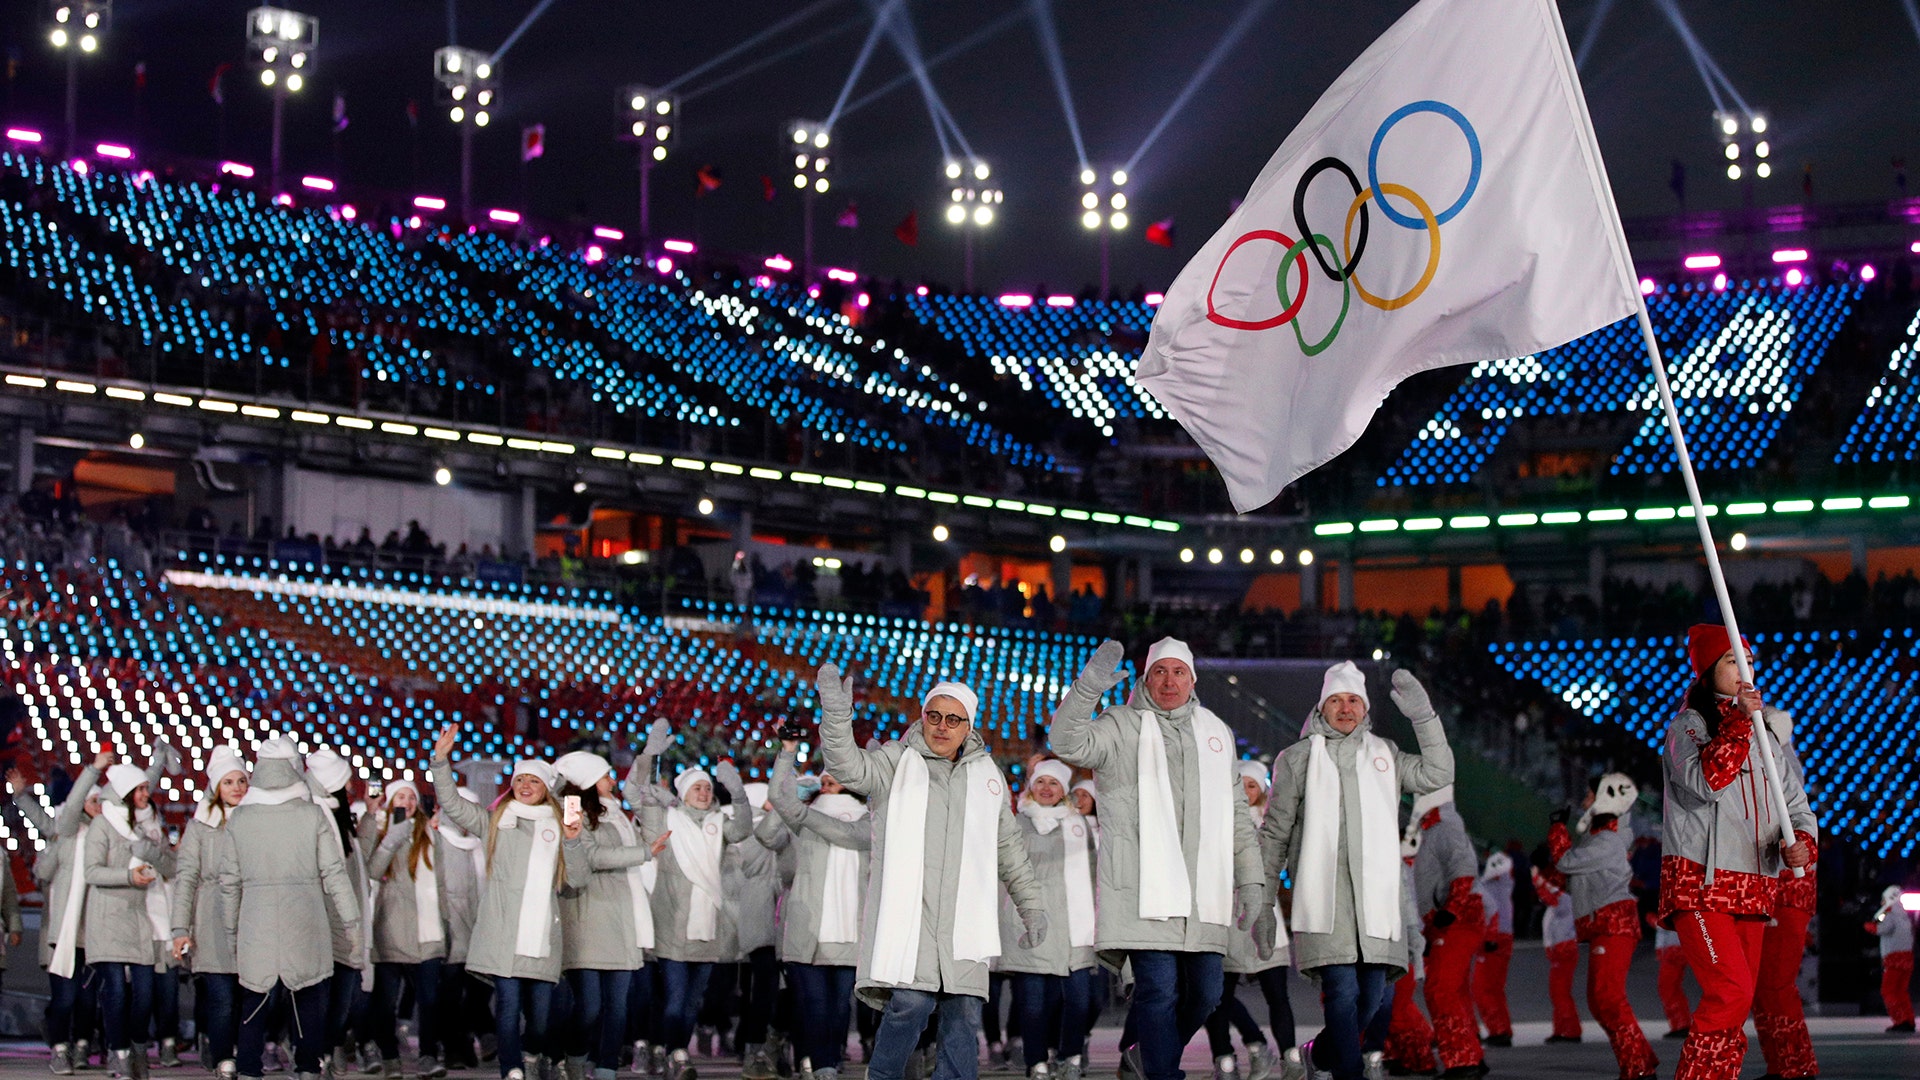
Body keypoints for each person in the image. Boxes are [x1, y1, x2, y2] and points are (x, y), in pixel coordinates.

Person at [1047, 639, 1266, 1080]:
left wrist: (1253, 879)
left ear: (1192, 679)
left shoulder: (1216, 733)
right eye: (1160, 671)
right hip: (1142, 888)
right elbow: (1064, 741)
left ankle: (1146, 1056)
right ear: (1147, 678)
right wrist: (1088, 688)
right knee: (1158, 991)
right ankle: (1164, 1073)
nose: (1169, 680)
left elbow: (1238, 814)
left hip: (1203, 891)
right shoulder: (1120, 725)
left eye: (1178, 672)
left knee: (1206, 994)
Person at [815, 666, 1047, 1080]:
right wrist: (836, 716)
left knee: (963, 1016)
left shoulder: (988, 778)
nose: (942, 726)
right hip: (912, 919)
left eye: (953, 719)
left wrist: (1032, 908)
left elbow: (1009, 851)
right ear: (923, 716)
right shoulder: (894, 761)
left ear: (968, 726)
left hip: (965, 923)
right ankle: (882, 1074)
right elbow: (848, 767)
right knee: (912, 1002)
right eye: (934, 716)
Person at [1263, 662, 1455, 1080]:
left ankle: (1319, 1053)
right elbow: (1275, 832)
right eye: (1336, 700)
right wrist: (1260, 900)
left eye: (1353, 700)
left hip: (1376, 908)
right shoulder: (1296, 760)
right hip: (1324, 903)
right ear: (1322, 706)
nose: (1345, 709)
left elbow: (1439, 773)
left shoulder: (1385, 754)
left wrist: (1423, 717)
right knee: (1343, 994)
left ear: (1364, 708)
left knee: (1370, 1000)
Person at [1659, 625, 1815, 1080]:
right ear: (1707, 671)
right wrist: (1739, 723)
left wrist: (1801, 845)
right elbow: (1706, 782)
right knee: (1729, 991)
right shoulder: (1689, 726)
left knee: (1739, 999)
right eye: (1730, 659)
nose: (1743, 668)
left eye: (1746, 658)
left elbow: (1798, 809)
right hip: (1701, 883)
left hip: (1754, 885)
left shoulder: (1765, 737)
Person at [429, 725, 590, 1080]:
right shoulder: (496, 821)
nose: (526, 786)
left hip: (542, 937)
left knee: (541, 1015)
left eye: (534, 781)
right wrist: (441, 761)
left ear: (546, 788)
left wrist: (575, 841)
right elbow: (454, 805)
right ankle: (512, 1069)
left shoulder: (564, 825)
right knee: (507, 1005)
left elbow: (576, 880)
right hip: (502, 934)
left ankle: (532, 1055)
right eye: (520, 781)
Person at [213, 735, 362, 1080]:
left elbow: (229, 882)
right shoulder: (312, 815)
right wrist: (352, 922)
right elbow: (334, 873)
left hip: (256, 922)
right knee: (308, 1002)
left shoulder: (241, 819)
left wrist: (233, 928)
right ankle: (308, 1069)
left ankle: (249, 1069)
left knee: (255, 1003)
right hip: (306, 919)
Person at [554, 749, 670, 1080]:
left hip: (622, 914)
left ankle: (606, 1069)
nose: (612, 780)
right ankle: (574, 1059)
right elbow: (590, 855)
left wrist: (648, 800)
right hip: (588, 915)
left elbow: (653, 839)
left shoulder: (618, 811)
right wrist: (641, 854)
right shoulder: (572, 809)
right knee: (589, 1006)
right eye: (606, 775)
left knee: (618, 1006)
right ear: (589, 780)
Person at [640, 749, 756, 1080]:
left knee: (692, 1004)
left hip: (708, 926)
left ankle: (669, 1050)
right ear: (683, 794)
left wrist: (737, 791)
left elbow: (744, 829)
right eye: (697, 788)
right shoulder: (668, 821)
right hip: (673, 926)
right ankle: (674, 1051)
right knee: (675, 1000)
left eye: (707, 788)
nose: (704, 793)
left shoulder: (718, 824)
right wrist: (651, 760)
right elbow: (646, 803)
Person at [768, 738, 869, 1080]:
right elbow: (781, 799)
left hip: (851, 929)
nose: (827, 786)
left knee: (839, 1008)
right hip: (809, 927)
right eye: (824, 781)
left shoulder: (873, 822)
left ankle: (827, 1062)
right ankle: (820, 1064)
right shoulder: (806, 818)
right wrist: (786, 753)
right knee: (813, 1005)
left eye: (834, 780)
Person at [1548, 774, 1657, 1080]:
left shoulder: (1608, 840)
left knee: (1608, 998)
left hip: (1613, 924)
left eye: (1588, 795)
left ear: (1604, 798)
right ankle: (1641, 1061)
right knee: (1600, 1001)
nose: (1584, 802)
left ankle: (1638, 1068)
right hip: (1604, 924)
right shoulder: (1600, 838)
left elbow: (1567, 863)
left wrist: (1557, 829)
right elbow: (1574, 877)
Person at [11, 749, 112, 1075]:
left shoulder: (109, 837)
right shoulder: (66, 832)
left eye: (101, 802)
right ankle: (60, 1046)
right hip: (64, 930)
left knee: (87, 999)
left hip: (94, 930)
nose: (97, 807)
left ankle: (82, 1046)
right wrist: (22, 796)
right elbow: (46, 830)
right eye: (93, 801)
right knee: (66, 997)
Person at [999, 759, 1099, 1080]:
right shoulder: (1015, 823)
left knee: (1080, 1001)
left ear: (1064, 790)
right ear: (1031, 786)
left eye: (1053, 783)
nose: (1046, 788)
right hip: (1031, 921)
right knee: (1031, 1004)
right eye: (1040, 782)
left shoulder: (1078, 825)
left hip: (1074, 925)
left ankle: (1070, 1055)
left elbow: (1095, 872)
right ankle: (1037, 1062)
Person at [85, 761, 176, 1080]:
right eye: (138, 789)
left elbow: (170, 866)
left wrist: (148, 854)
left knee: (145, 993)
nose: (145, 793)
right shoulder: (102, 826)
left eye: (145, 788)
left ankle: (137, 1046)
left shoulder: (142, 830)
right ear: (124, 793)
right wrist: (127, 875)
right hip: (108, 918)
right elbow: (91, 871)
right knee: (116, 992)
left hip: (141, 920)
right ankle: (120, 1053)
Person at [1203, 761, 1294, 1080]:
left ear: (1262, 791)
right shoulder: (1212, 820)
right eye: (1238, 783)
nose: (1244, 790)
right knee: (1216, 995)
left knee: (1277, 994)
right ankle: (1225, 1059)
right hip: (1224, 916)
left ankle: (1289, 1059)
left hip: (1263, 916)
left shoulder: (1272, 825)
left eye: (1252, 785)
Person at [364, 779, 452, 1080]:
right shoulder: (380, 830)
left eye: (411, 797)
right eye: (400, 796)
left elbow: (440, 881)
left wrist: (446, 922)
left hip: (427, 931)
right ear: (390, 801)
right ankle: (389, 1057)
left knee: (429, 1000)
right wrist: (390, 839)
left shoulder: (429, 833)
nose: (407, 801)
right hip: (390, 928)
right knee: (385, 1002)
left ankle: (428, 1055)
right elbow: (373, 871)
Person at [170, 747, 249, 1080]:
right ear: (216, 787)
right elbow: (186, 877)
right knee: (221, 995)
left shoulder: (259, 820)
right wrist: (179, 928)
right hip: (211, 915)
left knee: (250, 996)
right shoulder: (200, 826)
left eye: (241, 780)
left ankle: (244, 1052)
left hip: (251, 915)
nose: (236, 788)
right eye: (228, 781)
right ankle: (223, 1057)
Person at [1750, 709, 1819, 1079]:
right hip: (1772, 885)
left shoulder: (1779, 762)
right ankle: (1782, 1065)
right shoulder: (1772, 758)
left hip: (1789, 886)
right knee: (1763, 986)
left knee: (1775, 984)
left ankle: (1797, 1067)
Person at [306, 747, 377, 1073]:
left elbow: (355, 857)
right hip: (326, 920)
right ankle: (318, 1055)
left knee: (343, 998)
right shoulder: (315, 815)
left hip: (348, 920)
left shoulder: (338, 815)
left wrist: (371, 816)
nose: (350, 788)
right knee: (325, 999)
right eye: (345, 782)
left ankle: (329, 1050)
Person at [1409, 786, 1485, 1079]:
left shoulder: (1444, 829)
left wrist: (1450, 909)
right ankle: (1470, 1056)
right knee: (1453, 989)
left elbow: (1464, 868)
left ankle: (1462, 1060)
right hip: (1450, 919)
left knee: (1440, 989)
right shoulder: (1434, 830)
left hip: (1455, 919)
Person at [435, 787, 487, 1071]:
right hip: (451, 932)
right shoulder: (438, 839)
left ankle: (466, 1041)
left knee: (478, 995)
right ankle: (453, 1047)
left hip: (479, 931)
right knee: (451, 996)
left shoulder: (482, 844)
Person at [1383, 831, 1435, 1077]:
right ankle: (1405, 1054)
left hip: (1401, 944)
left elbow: (1410, 907)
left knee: (1398, 1007)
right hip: (1391, 944)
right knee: (1395, 1007)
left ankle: (1420, 1058)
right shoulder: (1397, 864)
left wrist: (1415, 941)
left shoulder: (1399, 866)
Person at [1469, 853, 1513, 1048]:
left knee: (1483, 988)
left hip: (1493, 938)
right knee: (1493, 988)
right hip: (1501, 936)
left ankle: (1499, 1030)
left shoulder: (1488, 885)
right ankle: (1501, 1029)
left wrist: (1489, 936)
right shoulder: (1503, 883)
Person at [1533, 869, 1581, 1045]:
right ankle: (1561, 1029)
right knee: (1557, 992)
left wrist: (1538, 881)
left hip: (1564, 950)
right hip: (1560, 951)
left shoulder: (1564, 901)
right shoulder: (1558, 904)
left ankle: (1570, 1030)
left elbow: (1550, 897)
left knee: (1560, 992)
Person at [1868, 885, 1914, 1033]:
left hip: (1894, 959)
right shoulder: (1905, 915)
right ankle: (1909, 1019)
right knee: (1901, 991)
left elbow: (1882, 929)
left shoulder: (1891, 913)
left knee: (1888, 991)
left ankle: (1900, 1020)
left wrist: (1868, 926)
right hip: (1907, 958)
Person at [1649, 917, 1691, 1040]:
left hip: (1674, 949)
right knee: (1670, 987)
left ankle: (1681, 1024)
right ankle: (1681, 1024)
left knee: (1668, 987)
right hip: (1674, 948)